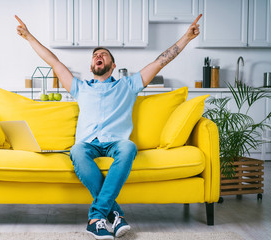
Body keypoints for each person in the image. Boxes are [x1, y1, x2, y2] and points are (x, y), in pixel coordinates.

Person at [15, 14, 201, 240]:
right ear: (92, 66)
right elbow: (54, 62)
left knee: (129, 148)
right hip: (87, 144)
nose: (98, 56)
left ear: (113, 65)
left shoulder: (129, 84)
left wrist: (186, 38)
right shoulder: (79, 87)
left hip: (116, 142)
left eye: (103, 54)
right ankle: (117, 216)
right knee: (76, 151)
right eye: (95, 56)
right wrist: (29, 36)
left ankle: (96, 218)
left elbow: (161, 60)